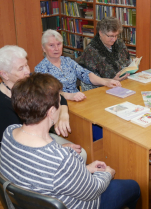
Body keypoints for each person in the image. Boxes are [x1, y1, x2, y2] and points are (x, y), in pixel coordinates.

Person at [0, 73, 140, 209]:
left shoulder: (10, 132)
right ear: (51, 112)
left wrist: (85, 170)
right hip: (83, 204)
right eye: (59, 101)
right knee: (133, 187)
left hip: (27, 203)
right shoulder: (61, 159)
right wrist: (106, 173)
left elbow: (43, 174)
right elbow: (93, 190)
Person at [0, 45, 87, 162]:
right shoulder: (3, 104)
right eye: (21, 68)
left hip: (39, 137)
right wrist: (57, 149)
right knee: (79, 155)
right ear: (4, 74)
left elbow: (58, 96)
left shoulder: (29, 81)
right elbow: (18, 147)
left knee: (80, 150)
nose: (27, 72)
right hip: (24, 154)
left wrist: (63, 114)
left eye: (26, 65)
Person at [35, 29, 121, 101]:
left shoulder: (68, 61)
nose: (56, 48)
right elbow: (49, 93)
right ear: (43, 48)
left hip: (77, 100)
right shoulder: (40, 69)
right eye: (51, 45)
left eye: (59, 44)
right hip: (57, 106)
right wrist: (69, 96)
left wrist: (106, 82)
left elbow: (85, 74)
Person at [79, 17, 137, 91]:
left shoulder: (119, 43)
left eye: (116, 35)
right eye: (111, 36)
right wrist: (111, 80)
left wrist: (133, 66)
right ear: (100, 32)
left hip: (123, 85)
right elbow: (88, 81)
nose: (114, 39)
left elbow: (127, 63)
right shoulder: (91, 51)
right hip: (102, 90)